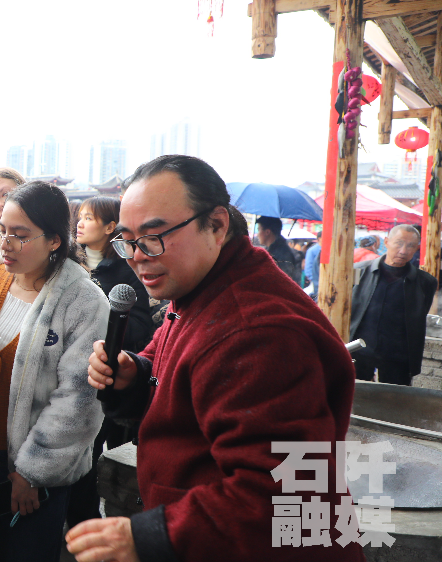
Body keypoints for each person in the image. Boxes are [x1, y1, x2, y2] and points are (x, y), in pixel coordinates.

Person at [70, 155, 363, 562]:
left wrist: (151, 537)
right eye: (128, 240)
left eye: (154, 236)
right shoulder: (199, 289)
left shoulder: (256, 332)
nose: (137, 256)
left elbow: (284, 494)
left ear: (217, 225)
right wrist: (133, 374)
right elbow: (169, 370)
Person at [0, 181, 108, 562]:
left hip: (34, 462)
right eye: (1, 230)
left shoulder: (82, 301)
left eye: (20, 236)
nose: (5, 244)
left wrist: (33, 472)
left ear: (54, 240)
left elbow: (79, 399)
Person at [67, 195, 154, 527]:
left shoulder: (125, 271)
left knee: (93, 455)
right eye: (79, 217)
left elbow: (141, 326)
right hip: (71, 375)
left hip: (107, 373)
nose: (80, 223)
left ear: (110, 227)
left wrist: (101, 325)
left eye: (89, 218)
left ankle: (86, 523)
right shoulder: (68, 265)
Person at [350, 224, 437, 386]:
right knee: (353, 395)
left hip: (398, 356)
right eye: (399, 243)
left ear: (417, 248)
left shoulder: (425, 282)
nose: (403, 251)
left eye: (410, 246)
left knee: (394, 399)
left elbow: (419, 316)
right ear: (386, 242)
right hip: (359, 350)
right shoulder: (358, 271)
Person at [256, 215, 301, 285]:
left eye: (259, 230)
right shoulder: (270, 250)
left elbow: (284, 281)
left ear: (267, 232)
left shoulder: (283, 254)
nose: (257, 235)